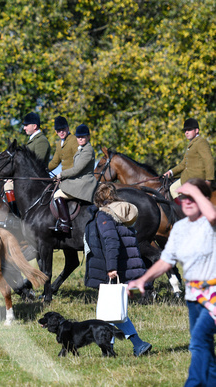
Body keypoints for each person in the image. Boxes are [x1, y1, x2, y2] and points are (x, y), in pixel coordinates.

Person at [129, 178, 216, 386]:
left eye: (192, 198)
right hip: (193, 296)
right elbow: (166, 261)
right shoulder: (180, 228)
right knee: (205, 347)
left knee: (197, 343)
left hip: (213, 295)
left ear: (203, 199)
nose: (185, 201)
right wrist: (142, 280)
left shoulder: (209, 222)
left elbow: (212, 214)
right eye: (182, 198)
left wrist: (194, 191)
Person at [84, 182, 152, 357]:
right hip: (128, 266)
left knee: (110, 313)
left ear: (98, 198)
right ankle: (115, 350)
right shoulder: (123, 213)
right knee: (113, 313)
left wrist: (111, 268)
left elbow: (111, 241)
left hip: (117, 268)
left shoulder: (105, 215)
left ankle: (136, 345)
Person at [0, 112, 51, 228]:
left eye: (26, 125)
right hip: (27, 177)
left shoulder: (41, 141)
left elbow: (37, 164)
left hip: (36, 179)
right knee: (6, 185)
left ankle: (16, 218)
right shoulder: (32, 140)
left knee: (9, 187)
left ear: (34, 126)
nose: (24, 128)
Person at [50, 124, 98, 234]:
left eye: (83, 137)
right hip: (78, 180)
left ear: (88, 137)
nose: (80, 139)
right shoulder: (81, 149)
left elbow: (77, 170)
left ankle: (65, 223)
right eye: (78, 137)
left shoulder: (87, 151)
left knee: (57, 195)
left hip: (85, 182)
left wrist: (61, 175)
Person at [163, 118, 214, 199]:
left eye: (189, 130)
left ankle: (182, 211)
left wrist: (208, 180)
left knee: (173, 189)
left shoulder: (201, 142)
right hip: (186, 177)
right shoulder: (192, 143)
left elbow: (209, 160)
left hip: (196, 179)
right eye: (185, 130)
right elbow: (183, 164)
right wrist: (170, 172)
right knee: (172, 188)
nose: (186, 132)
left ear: (196, 130)